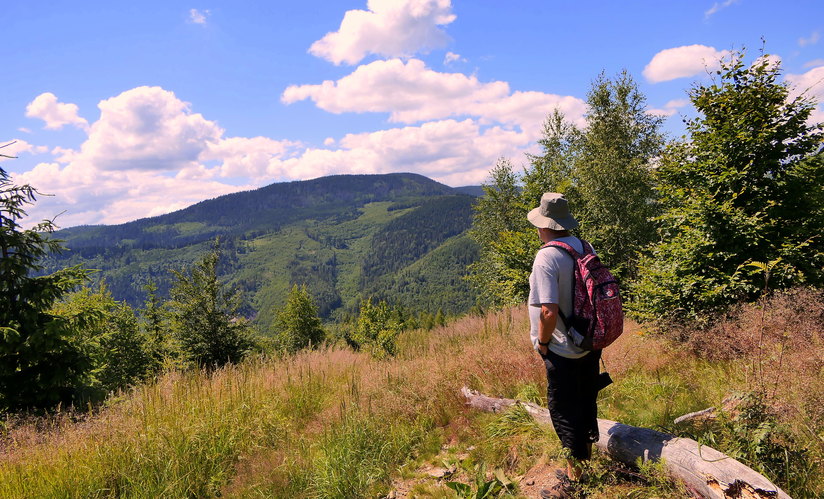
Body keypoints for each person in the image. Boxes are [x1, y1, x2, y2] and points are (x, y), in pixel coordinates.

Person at [527, 193, 601, 498]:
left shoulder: (546, 256)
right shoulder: (584, 247)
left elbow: (548, 310)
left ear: (544, 225)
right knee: (585, 401)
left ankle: (574, 482)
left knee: (563, 411)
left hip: (562, 348)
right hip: (589, 342)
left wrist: (543, 344)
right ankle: (584, 463)